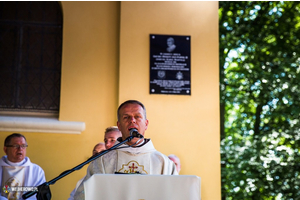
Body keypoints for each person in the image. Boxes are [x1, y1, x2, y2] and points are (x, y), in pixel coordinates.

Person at [74, 100, 178, 200]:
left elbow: (176, 195)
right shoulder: (102, 162)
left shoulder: (164, 163)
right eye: (126, 117)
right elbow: (83, 196)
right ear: (119, 125)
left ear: (146, 124)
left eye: (137, 116)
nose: (132, 120)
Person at [0, 133, 46, 200]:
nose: (20, 149)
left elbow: (39, 195)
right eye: (16, 146)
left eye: (23, 146)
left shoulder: (36, 170)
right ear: (5, 149)